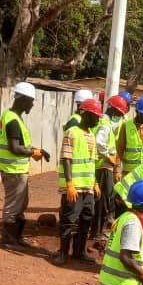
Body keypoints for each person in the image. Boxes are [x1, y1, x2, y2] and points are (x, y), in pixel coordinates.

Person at [0, 81, 46, 249]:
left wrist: (37, 150)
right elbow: (15, 148)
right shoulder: (13, 120)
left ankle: (17, 238)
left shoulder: (10, 117)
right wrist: (32, 153)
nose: (32, 104)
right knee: (13, 206)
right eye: (31, 101)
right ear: (23, 100)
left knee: (20, 204)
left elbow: (19, 144)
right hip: (13, 170)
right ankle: (9, 240)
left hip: (15, 169)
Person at [53, 98, 102, 266]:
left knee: (87, 219)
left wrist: (94, 182)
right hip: (74, 187)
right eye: (95, 116)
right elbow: (66, 159)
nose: (97, 120)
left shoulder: (91, 135)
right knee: (68, 220)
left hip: (87, 187)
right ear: (86, 114)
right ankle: (63, 253)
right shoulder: (72, 132)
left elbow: (91, 162)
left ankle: (79, 252)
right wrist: (69, 184)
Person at [93, 95, 128, 237]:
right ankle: (98, 232)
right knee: (103, 200)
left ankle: (98, 230)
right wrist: (109, 156)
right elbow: (99, 142)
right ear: (113, 110)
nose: (119, 117)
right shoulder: (105, 124)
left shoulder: (105, 123)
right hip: (104, 166)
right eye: (119, 114)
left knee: (104, 199)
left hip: (106, 166)